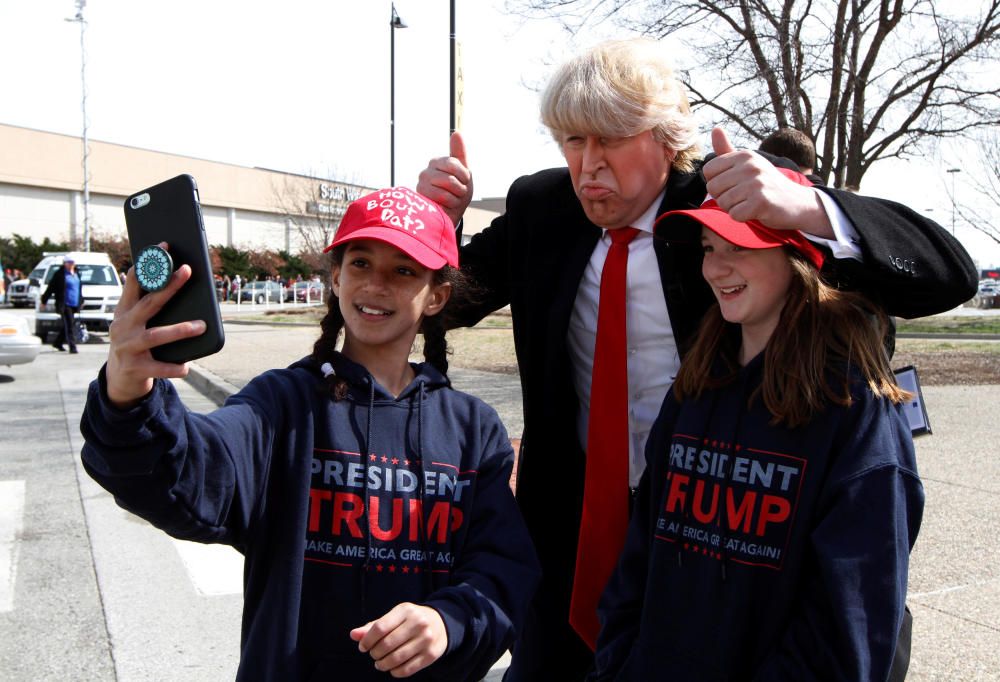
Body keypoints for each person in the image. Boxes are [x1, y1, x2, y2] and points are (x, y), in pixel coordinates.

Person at [416, 38, 976, 679]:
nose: (588, 165)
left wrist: (809, 207)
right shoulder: (543, 208)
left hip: (709, 527)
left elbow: (947, 275)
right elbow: (447, 303)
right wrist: (434, 230)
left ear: (663, 137)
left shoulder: (720, 213)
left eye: (611, 139)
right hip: (569, 531)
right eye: (573, 141)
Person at [79, 187, 540, 681]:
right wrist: (129, 394)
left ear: (437, 296)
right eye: (361, 263)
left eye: (404, 270)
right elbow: (192, 475)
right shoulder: (282, 404)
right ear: (337, 277)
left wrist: (447, 622)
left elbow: (503, 570)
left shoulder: (473, 430)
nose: (377, 284)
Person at [591, 173, 922, 680]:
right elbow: (640, 559)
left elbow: (850, 618)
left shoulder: (854, 407)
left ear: (797, 257)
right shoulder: (694, 386)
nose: (715, 268)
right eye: (707, 247)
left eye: (738, 248)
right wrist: (617, 665)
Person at [41, 257, 81, 353]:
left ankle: (57, 343)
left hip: (74, 304)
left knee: (68, 324)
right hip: (64, 303)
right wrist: (44, 301)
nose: (71, 264)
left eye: (72, 262)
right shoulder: (59, 274)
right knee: (70, 325)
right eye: (69, 262)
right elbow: (51, 288)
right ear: (64, 263)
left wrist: (81, 301)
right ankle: (73, 347)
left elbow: (79, 289)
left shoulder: (77, 274)